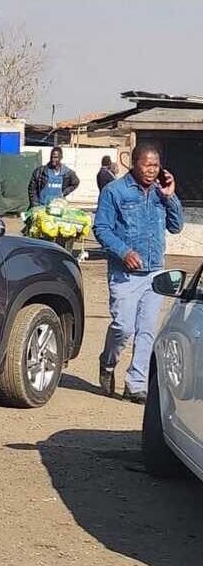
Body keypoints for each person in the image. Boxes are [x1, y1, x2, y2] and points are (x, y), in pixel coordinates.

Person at [94, 144, 184, 403]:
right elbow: (101, 228)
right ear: (133, 163)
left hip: (155, 273)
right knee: (124, 327)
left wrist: (170, 196)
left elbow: (176, 227)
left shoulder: (160, 192)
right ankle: (108, 362)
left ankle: (136, 383)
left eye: (156, 165)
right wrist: (123, 252)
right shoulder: (115, 191)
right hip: (125, 274)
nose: (152, 170)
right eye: (147, 164)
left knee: (146, 330)